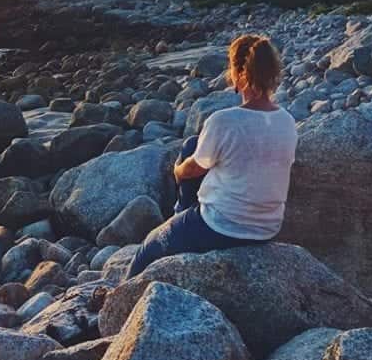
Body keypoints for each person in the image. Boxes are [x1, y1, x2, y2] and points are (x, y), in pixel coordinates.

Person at [126, 34, 298, 278]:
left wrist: (177, 170)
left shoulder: (225, 120)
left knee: (148, 246)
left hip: (224, 227)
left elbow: (193, 169)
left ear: (239, 73)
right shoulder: (287, 121)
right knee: (193, 144)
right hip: (268, 226)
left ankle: (117, 303)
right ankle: (182, 216)